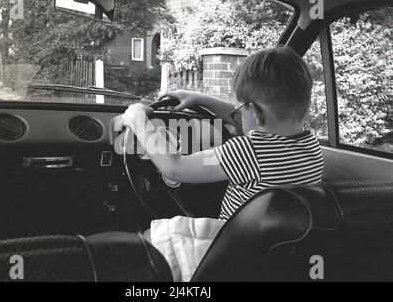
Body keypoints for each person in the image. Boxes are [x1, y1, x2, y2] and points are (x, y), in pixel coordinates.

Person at [121, 46, 324, 280]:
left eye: (240, 108)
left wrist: (137, 119)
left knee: (149, 240)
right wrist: (200, 99)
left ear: (253, 112)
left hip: (235, 246)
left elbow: (174, 167)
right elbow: (252, 118)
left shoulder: (246, 152)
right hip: (275, 247)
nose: (236, 115)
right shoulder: (311, 145)